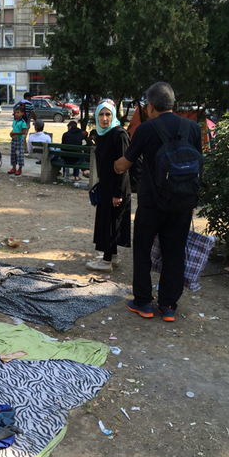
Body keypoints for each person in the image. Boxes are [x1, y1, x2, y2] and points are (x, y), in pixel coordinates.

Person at [114, 81, 203, 322]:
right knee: (174, 252)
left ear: (151, 106)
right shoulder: (193, 128)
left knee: (143, 251)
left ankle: (143, 303)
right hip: (183, 202)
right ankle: (168, 306)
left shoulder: (146, 129)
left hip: (152, 203)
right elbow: (197, 166)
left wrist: (115, 165)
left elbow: (126, 163)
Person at [86, 99, 131, 273]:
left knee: (112, 222)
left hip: (117, 187)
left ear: (113, 116)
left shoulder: (119, 134)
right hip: (106, 186)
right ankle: (112, 256)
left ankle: (106, 262)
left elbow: (125, 165)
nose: (104, 118)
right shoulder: (102, 134)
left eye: (108, 114)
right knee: (108, 220)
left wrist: (118, 192)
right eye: (101, 114)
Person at [8, 107, 27, 176]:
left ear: (22, 113)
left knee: (19, 154)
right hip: (14, 139)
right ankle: (13, 168)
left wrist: (16, 133)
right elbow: (14, 129)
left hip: (19, 140)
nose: (17, 114)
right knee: (13, 154)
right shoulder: (15, 121)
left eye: (18, 112)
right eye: (16, 112)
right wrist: (11, 133)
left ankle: (20, 169)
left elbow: (24, 131)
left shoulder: (22, 122)